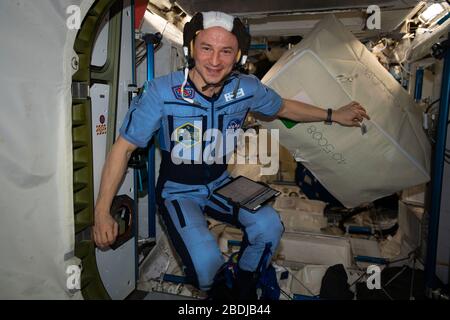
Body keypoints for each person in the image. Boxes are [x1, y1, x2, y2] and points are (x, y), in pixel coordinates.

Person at [93, 11, 370, 299]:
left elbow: (284, 107)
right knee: (206, 271)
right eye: (206, 48)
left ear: (238, 55)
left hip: (221, 182)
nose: (215, 61)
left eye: (226, 51)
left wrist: (333, 114)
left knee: (269, 227)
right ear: (191, 49)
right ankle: (222, 287)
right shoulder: (161, 92)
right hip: (178, 191)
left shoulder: (246, 88)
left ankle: (244, 282)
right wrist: (102, 211)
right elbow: (122, 149)